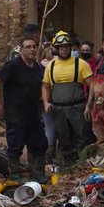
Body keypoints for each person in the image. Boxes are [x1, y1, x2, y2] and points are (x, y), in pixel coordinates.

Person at [0, 37, 49, 182]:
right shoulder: (13, 65)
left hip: (34, 113)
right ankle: (15, 174)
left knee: (39, 143)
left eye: (34, 47)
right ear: (21, 49)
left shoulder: (37, 67)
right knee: (16, 144)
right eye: (28, 47)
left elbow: (43, 85)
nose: (32, 49)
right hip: (16, 113)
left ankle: (37, 173)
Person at [41, 31, 93, 168]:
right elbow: (45, 86)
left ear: (71, 47)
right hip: (58, 109)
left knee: (81, 137)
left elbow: (92, 85)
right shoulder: (50, 67)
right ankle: (67, 168)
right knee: (63, 139)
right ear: (56, 49)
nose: (64, 49)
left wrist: (89, 105)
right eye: (61, 47)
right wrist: (46, 103)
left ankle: (83, 166)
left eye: (67, 46)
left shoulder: (81, 64)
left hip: (77, 107)